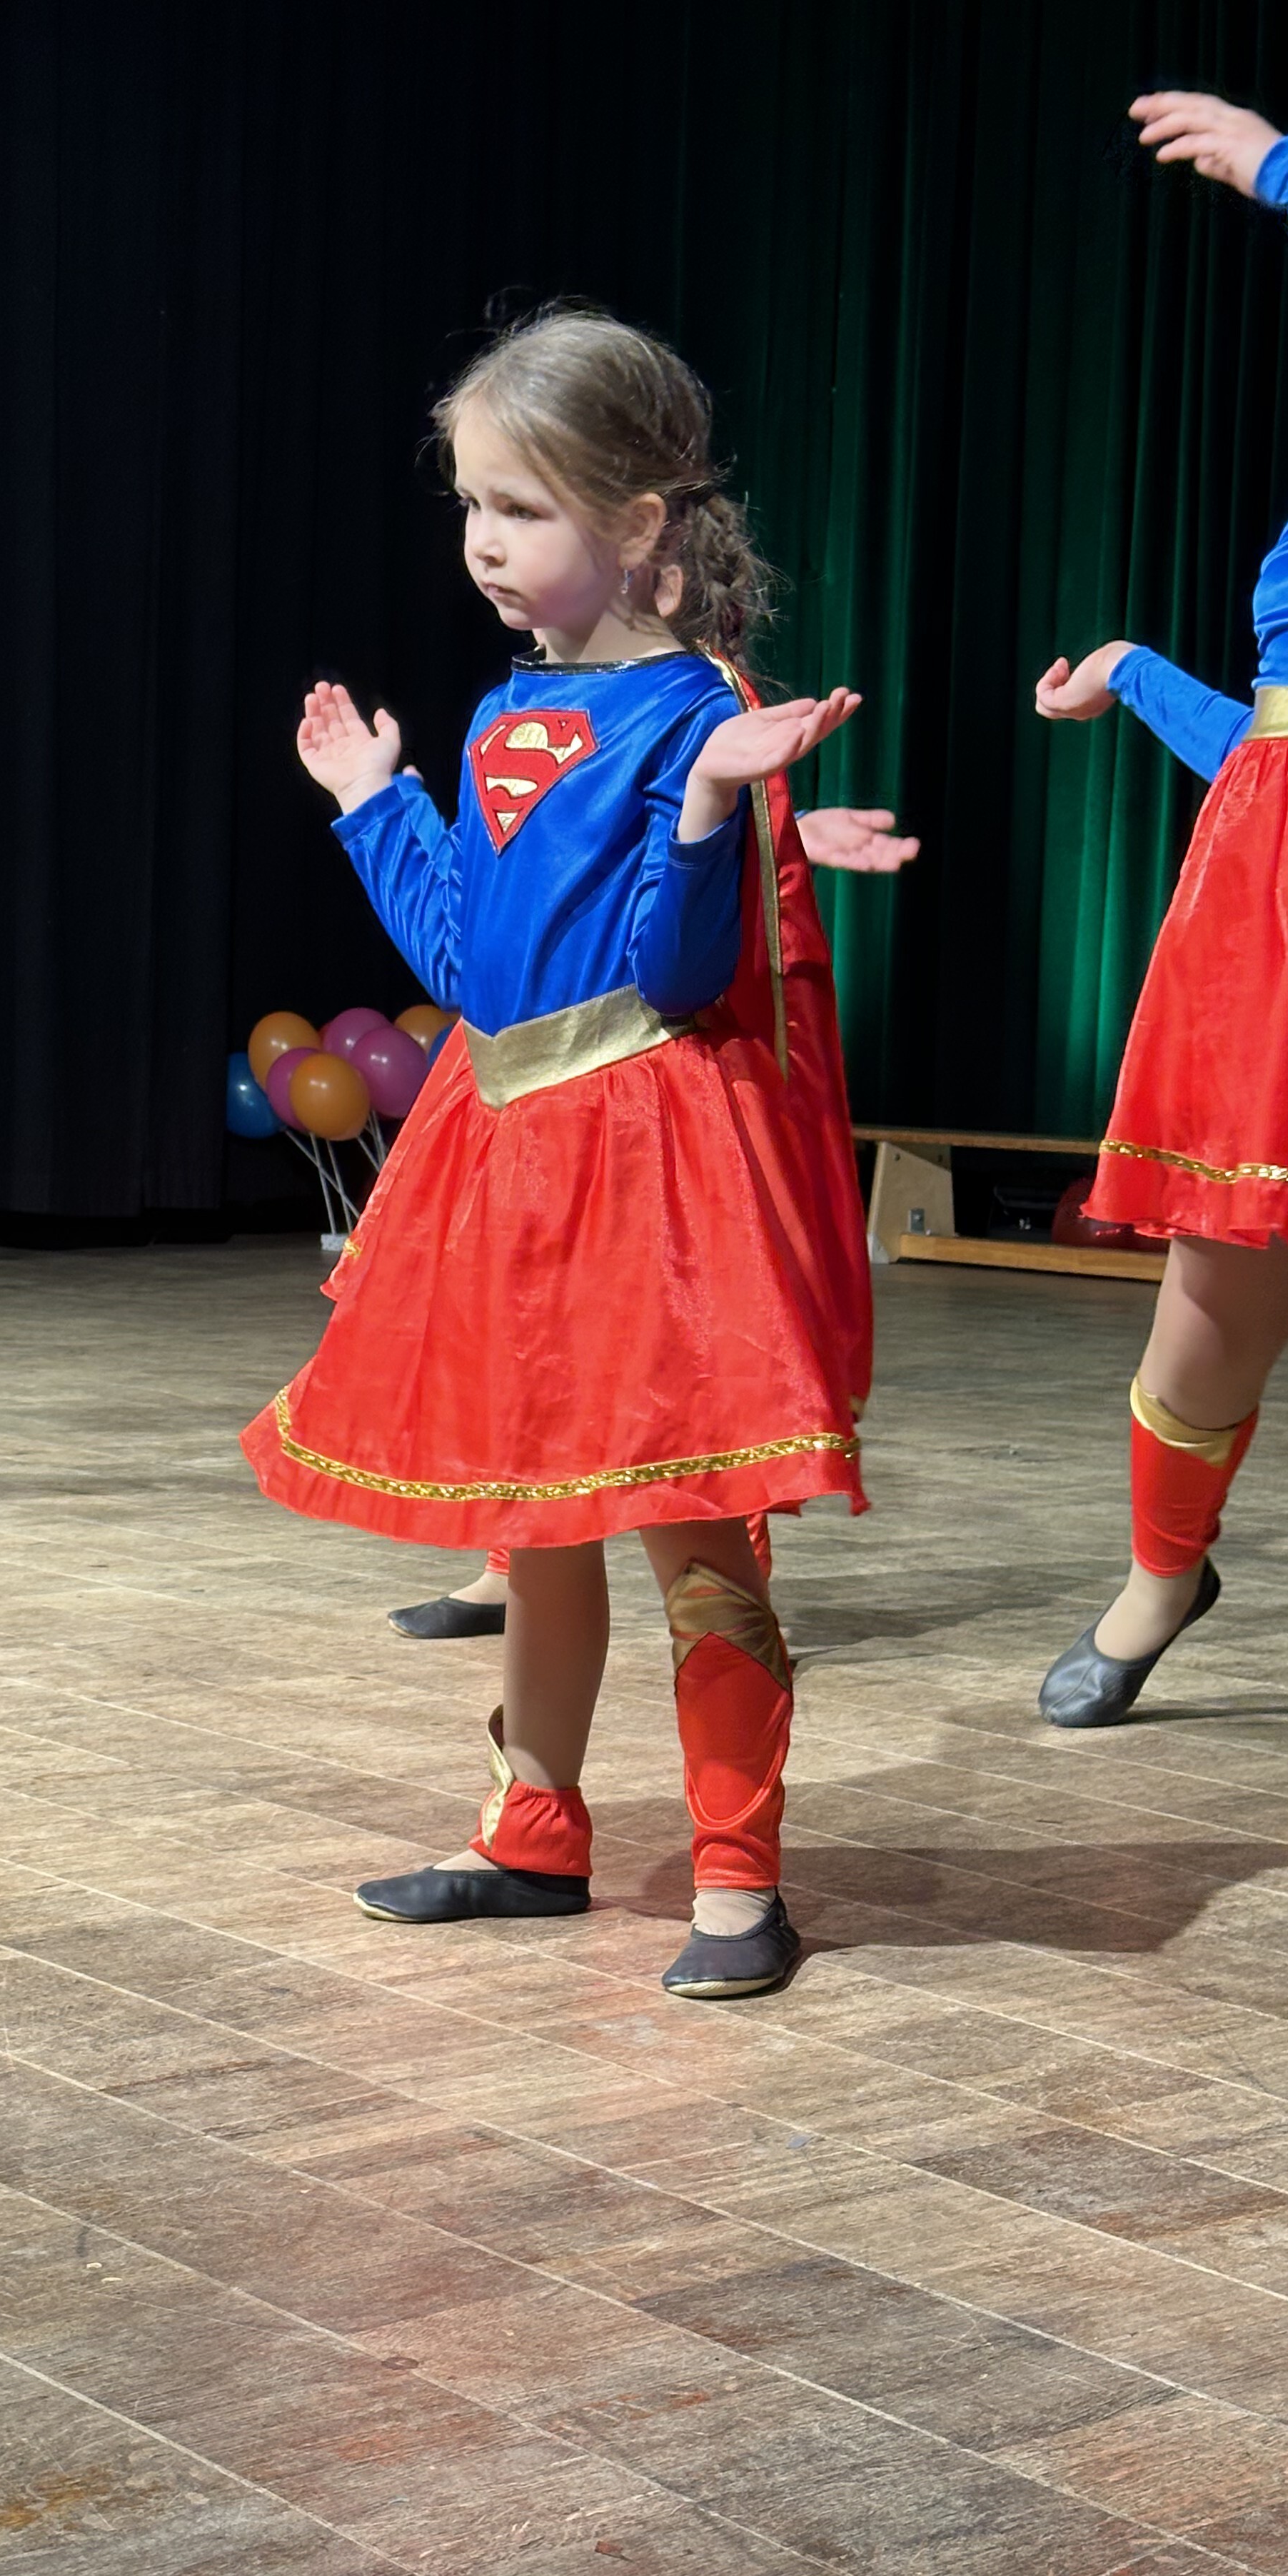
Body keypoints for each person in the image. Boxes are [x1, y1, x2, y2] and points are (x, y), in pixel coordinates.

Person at [241, 308, 873, 1998]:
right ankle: (534, 1829)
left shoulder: (693, 712)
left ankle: (738, 1877)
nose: (483, 541)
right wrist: (378, 805)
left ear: (639, 522)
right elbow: (471, 965)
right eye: (470, 505)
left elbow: (677, 974)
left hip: (647, 1162)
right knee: (535, 1516)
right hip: (507, 1144)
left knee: (694, 1529)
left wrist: (709, 808)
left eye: (518, 509)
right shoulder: (504, 710)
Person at [1033, 92, 1288, 1861]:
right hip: (1279, 916)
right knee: (1213, 1299)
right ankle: (1161, 1578)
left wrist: (1284, 168)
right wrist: (1137, 674)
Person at [388, 804, 917, 1640]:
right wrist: (384, 810)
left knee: (694, 1325)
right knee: (532, 1315)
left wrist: (757, 847)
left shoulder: (702, 723)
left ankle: (729, 1594)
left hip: (655, 1049)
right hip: (538, 1030)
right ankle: (514, 1558)